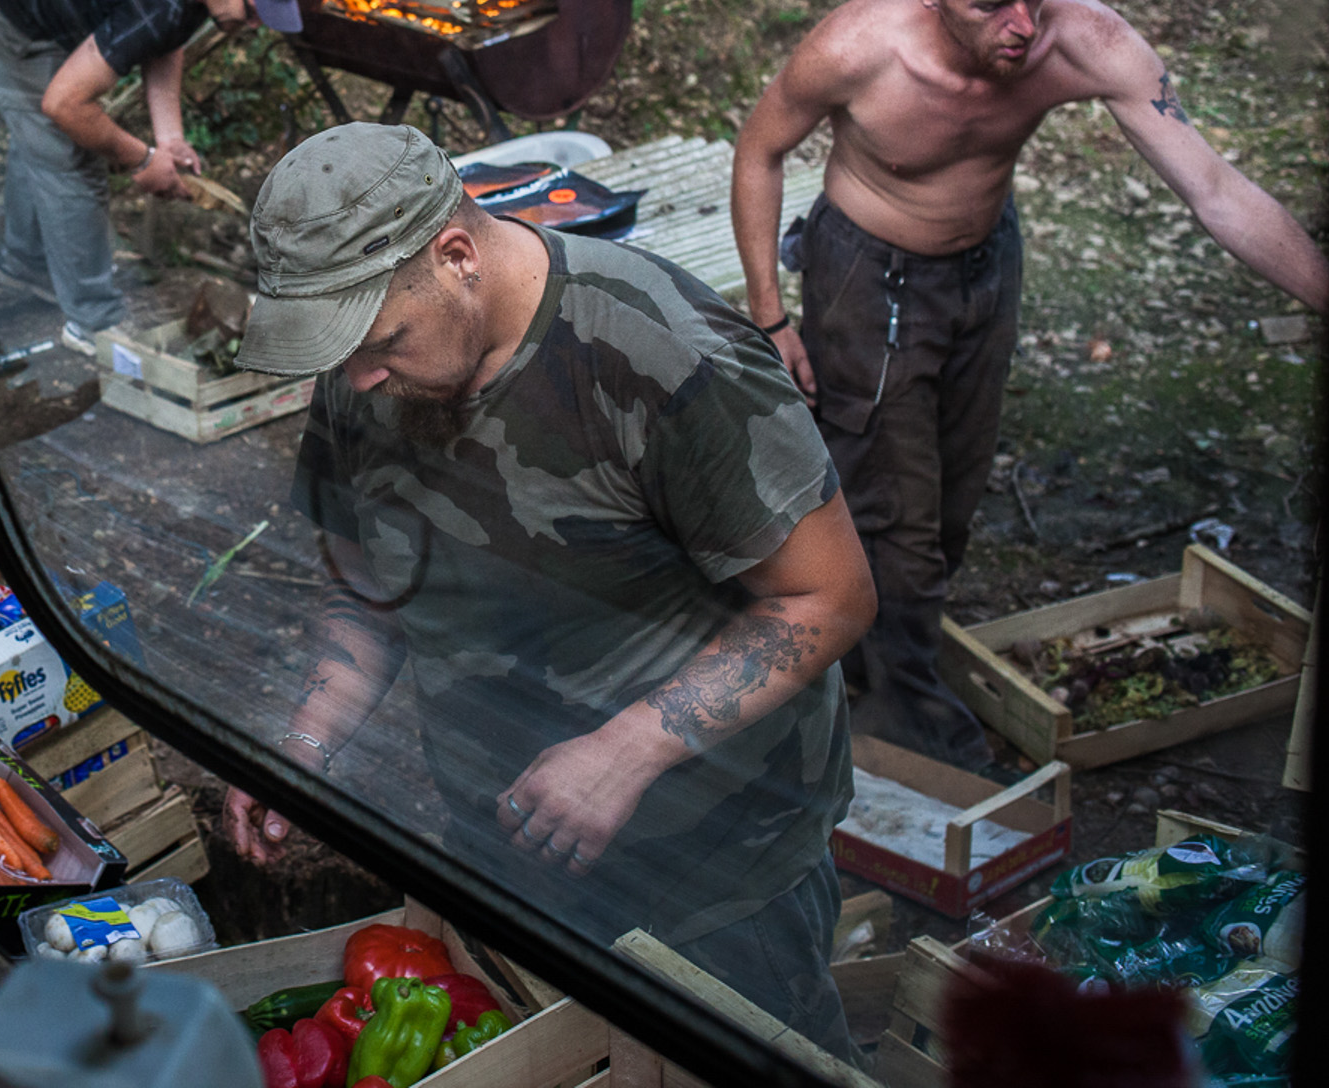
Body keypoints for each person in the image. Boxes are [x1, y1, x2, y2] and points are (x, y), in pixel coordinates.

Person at [220, 123, 877, 1056]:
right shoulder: (366, 371)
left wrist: (626, 748)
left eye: (379, 344)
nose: (358, 377)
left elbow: (830, 597)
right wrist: (303, 741)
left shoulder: (659, 353)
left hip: (713, 868)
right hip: (499, 844)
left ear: (455, 257)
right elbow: (368, 585)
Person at [730, 0, 1329, 769]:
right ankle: (907, 715)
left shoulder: (1086, 41)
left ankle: (871, 636)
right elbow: (759, 150)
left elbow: (1214, 188)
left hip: (985, 264)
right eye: (992, 5)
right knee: (895, 503)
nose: (1021, 24)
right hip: (867, 272)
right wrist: (770, 314)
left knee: (955, 496)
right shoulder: (858, 48)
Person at [0, 0, 304, 352]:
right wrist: (141, 161)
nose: (257, 25)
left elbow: (166, 38)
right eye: (256, 11)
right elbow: (64, 106)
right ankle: (95, 324)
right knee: (67, 154)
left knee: (40, 141)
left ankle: (18, 266)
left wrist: (170, 138)